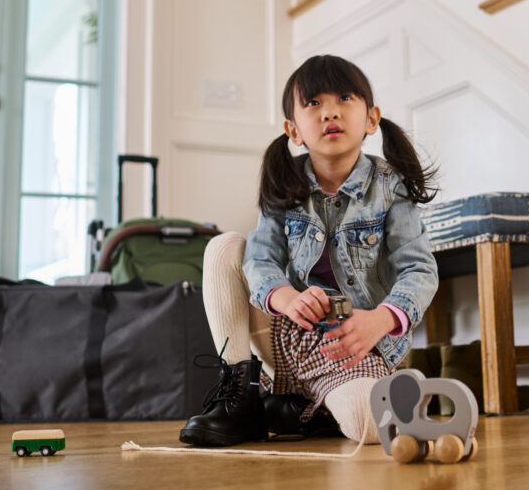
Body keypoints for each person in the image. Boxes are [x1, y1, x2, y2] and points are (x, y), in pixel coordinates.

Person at [180, 54, 439, 447]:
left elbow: (420, 270)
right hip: (285, 333)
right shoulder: (284, 182)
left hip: (351, 345)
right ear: (293, 129)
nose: (329, 112)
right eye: (313, 103)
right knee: (225, 247)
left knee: (369, 426)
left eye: (344, 98)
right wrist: (286, 299)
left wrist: (381, 321)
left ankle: (304, 408)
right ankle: (243, 397)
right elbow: (260, 259)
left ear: (371, 118)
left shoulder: (391, 185)